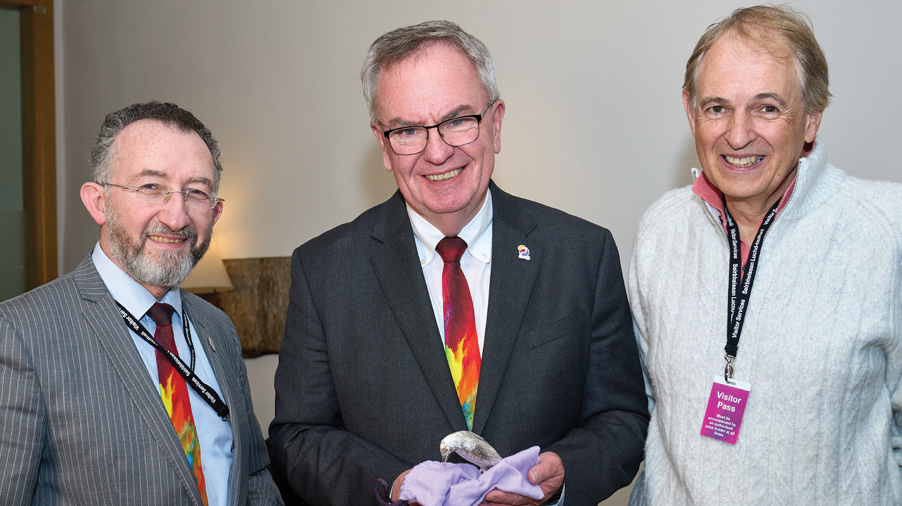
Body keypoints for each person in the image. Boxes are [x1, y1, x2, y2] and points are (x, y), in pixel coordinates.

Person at [268, 20, 648, 506]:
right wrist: (395, 487)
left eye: (458, 120)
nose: (438, 151)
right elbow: (298, 437)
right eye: (407, 130)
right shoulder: (323, 271)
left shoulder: (581, 253)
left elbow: (621, 418)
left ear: (496, 122)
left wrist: (562, 474)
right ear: (383, 145)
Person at [629, 5, 902, 505]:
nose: (737, 134)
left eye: (768, 107)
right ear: (690, 111)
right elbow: (647, 412)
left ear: (812, 117)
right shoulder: (660, 231)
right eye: (717, 108)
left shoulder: (886, 231)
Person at [0, 101, 283, 506]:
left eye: (196, 192)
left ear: (216, 212)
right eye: (151, 186)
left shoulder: (217, 327)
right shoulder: (21, 334)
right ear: (98, 202)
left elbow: (252, 474)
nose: (176, 215)